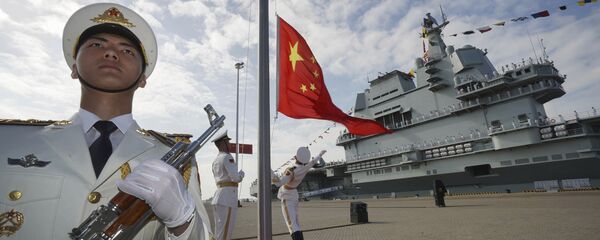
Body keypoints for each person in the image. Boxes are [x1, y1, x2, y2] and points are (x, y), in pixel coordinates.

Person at [0, 3, 211, 239]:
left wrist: (182, 223)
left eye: (127, 50)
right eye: (97, 45)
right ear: (73, 67)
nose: (111, 53)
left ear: (142, 79)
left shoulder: (173, 157)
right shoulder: (7, 140)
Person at [272, 147, 326, 240]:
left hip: (287, 195)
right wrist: (320, 155)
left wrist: (270, 172)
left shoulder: (291, 170)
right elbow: (313, 162)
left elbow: (279, 183)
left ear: (296, 157)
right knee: (296, 223)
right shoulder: (306, 166)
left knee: (292, 225)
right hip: (294, 194)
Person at [210, 130, 245, 240]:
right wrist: (241, 175)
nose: (229, 144)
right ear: (222, 143)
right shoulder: (227, 157)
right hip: (227, 198)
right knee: (225, 233)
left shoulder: (216, 160)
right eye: (227, 141)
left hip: (219, 197)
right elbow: (235, 178)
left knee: (219, 232)